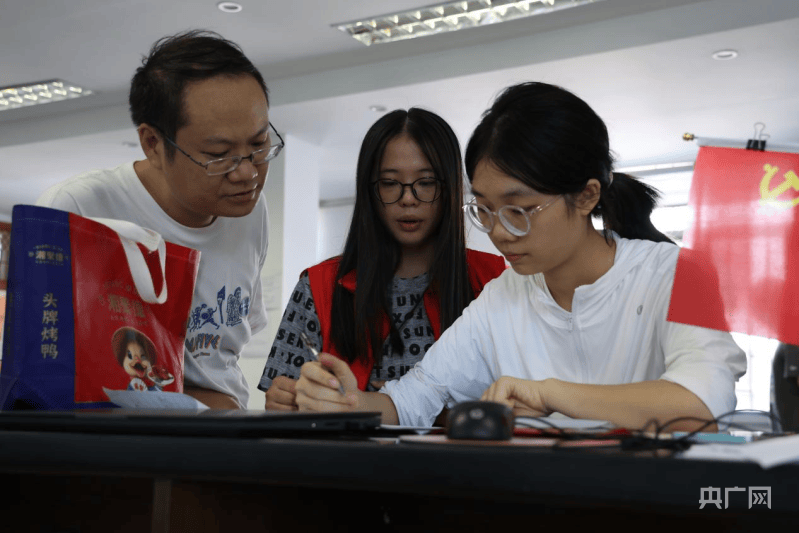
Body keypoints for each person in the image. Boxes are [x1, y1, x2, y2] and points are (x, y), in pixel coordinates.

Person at [293, 82, 747, 431]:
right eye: (485, 210)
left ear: (587, 195)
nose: (498, 232)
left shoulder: (680, 275)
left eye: (520, 210)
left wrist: (549, 394)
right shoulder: (503, 298)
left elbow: (701, 405)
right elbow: (413, 399)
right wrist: (349, 402)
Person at [37, 30, 282, 409]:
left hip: (224, 436)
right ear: (153, 143)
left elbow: (223, 356)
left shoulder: (251, 211)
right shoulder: (77, 210)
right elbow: (44, 371)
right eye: (219, 154)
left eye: (259, 144)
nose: (247, 173)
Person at [258, 108, 506, 413]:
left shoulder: (494, 280)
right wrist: (284, 401)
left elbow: (517, 401)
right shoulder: (318, 287)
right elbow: (282, 398)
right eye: (390, 183)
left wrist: (400, 408)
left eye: (426, 182)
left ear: (450, 188)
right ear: (369, 191)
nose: (408, 198)